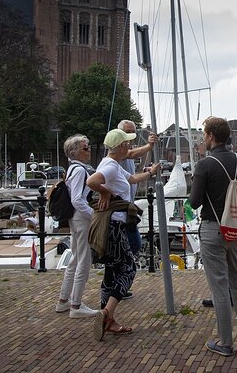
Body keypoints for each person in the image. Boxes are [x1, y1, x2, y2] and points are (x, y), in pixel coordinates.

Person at [188, 116, 237, 357]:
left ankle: (225, 343)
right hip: (234, 229)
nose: (203, 137)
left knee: (219, 285)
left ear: (210, 136)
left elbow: (195, 202)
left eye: (204, 133)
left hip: (212, 228)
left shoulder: (205, 165)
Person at [87, 129, 159, 340]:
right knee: (129, 268)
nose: (129, 146)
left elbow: (134, 178)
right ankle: (107, 313)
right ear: (119, 147)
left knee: (112, 269)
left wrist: (151, 172)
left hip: (113, 224)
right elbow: (91, 182)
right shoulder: (109, 166)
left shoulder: (113, 164)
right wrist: (105, 192)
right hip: (114, 226)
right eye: (127, 143)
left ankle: (106, 317)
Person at [55, 135, 99, 319]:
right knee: (84, 260)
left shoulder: (72, 169)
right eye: (85, 148)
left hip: (75, 219)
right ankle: (76, 305)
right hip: (81, 219)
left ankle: (63, 301)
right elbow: (77, 199)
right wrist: (93, 215)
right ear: (74, 152)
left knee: (74, 259)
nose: (89, 150)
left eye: (88, 147)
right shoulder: (80, 171)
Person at [117, 120, 158, 257]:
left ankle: (122, 266)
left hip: (128, 205)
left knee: (132, 244)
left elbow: (131, 176)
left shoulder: (127, 150)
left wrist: (147, 171)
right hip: (121, 207)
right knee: (134, 244)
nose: (131, 135)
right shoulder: (119, 150)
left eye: (133, 132)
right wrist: (149, 146)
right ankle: (122, 267)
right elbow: (131, 154)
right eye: (127, 132)